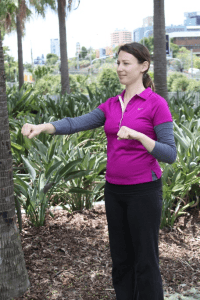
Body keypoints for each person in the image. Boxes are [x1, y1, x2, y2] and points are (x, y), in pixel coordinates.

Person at [21, 42, 177, 300]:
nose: (120, 68)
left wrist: (139, 136)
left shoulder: (155, 104)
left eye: (126, 63)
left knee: (146, 262)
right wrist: (42, 126)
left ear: (143, 67)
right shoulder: (111, 106)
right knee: (121, 260)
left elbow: (170, 153)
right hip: (114, 191)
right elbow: (75, 123)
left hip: (144, 192)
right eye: (118, 63)